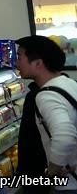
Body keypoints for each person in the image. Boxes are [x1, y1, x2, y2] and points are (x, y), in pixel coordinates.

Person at [16, 35, 77, 190]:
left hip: (68, 185)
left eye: (19, 57)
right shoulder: (70, 83)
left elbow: (65, 136)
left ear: (38, 63)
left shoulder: (46, 95)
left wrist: (51, 173)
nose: (16, 63)